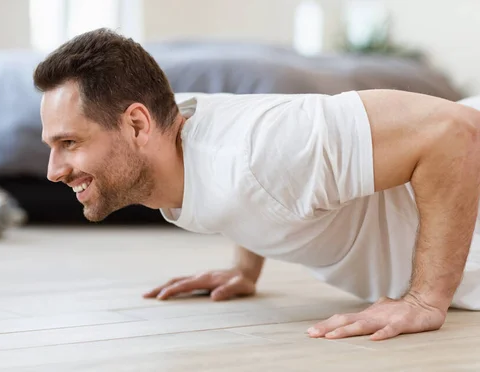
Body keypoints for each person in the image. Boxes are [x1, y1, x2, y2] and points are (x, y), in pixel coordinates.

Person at [34, 28, 480, 342]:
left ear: (137, 124)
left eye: (70, 142)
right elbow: (250, 184)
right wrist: (244, 267)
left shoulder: (265, 146)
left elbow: (454, 131)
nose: (54, 170)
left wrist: (425, 300)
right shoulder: (182, 139)